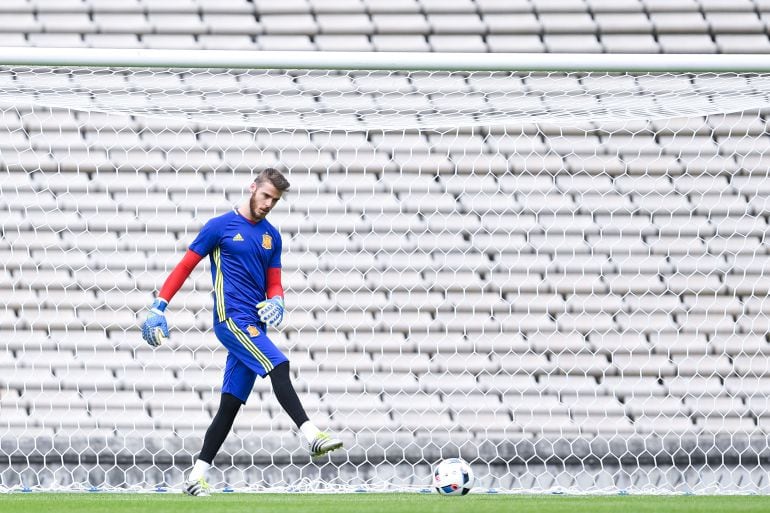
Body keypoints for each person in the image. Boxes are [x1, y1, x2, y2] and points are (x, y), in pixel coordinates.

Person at [141, 168, 343, 497]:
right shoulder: (219, 227)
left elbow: (274, 281)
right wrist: (158, 306)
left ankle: (195, 476)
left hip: (254, 323)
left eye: (274, 201)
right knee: (279, 364)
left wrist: (278, 301)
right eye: (265, 196)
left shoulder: (272, 237)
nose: (268, 204)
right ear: (252, 188)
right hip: (231, 319)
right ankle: (310, 435)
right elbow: (185, 265)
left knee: (230, 405)